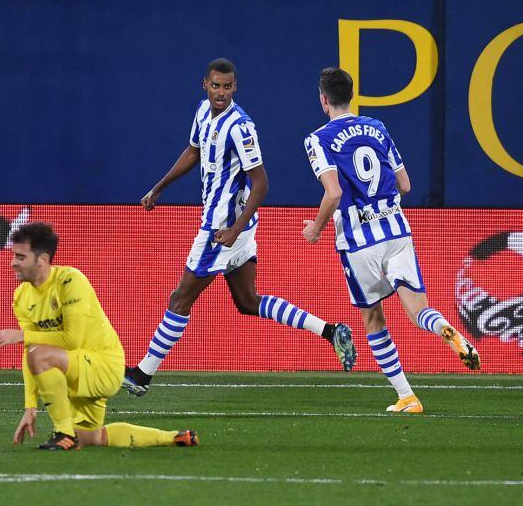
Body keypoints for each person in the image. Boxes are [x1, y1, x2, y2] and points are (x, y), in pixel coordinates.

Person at [122, 59, 356, 397]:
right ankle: (330, 331)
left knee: (180, 298)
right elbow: (194, 151)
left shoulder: (241, 126)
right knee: (247, 301)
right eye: (216, 86)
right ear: (205, 84)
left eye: (227, 86)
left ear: (235, 87)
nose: (221, 92)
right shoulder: (203, 112)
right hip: (232, 226)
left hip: (223, 226)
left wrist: (234, 229)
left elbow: (260, 183)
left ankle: (142, 374)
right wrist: (159, 188)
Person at [302, 67, 480, 414]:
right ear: (351, 95)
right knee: (418, 310)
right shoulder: (377, 128)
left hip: (358, 240)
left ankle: (407, 396)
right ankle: (445, 329)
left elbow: (334, 192)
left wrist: (318, 228)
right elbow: (406, 184)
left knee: (374, 319)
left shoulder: (317, 138)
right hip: (396, 230)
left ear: (323, 99)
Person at [0, 222, 198, 451]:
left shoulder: (70, 281)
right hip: (75, 370)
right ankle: (174, 437)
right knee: (91, 437)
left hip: (103, 365)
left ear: (41, 259)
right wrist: (30, 406)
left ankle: (63, 434)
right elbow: (30, 351)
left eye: (21, 257)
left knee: (38, 354)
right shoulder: (22, 296)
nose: (13, 263)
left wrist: (24, 335)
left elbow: (71, 340)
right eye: (14, 256)